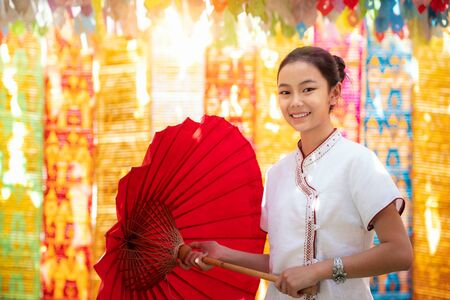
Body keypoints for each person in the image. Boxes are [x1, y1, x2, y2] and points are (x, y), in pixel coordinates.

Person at [180, 46, 413, 299]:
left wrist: (319, 270)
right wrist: (223, 254)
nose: (295, 101)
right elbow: (281, 266)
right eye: (285, 92)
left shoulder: (359, 163)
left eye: (308, 89)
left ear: (333, 93)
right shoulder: (277, 173)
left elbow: (399, 253)